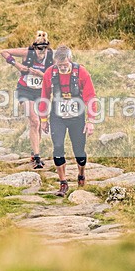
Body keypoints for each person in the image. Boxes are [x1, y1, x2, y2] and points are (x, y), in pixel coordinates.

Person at [38, 45, 97, 197]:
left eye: (64, 65)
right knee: (57, 147)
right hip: (57, 116)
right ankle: (63, 183)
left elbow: (90, 96)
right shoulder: (50, 73)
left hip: (77, 117)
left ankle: (81, 173)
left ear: (69, 59)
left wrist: (90, 120)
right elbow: (44, 95)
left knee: (79, 151)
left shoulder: (81, 72)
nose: (62, 68)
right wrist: (43, 119)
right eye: (59, 65)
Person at [0, 31, 53, 169]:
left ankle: (35, 151)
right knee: (34, 121)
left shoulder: (51, 57)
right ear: (34, 47)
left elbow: (55, 76)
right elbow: (4, 51)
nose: (40, 53)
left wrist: (41, 74)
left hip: (41, 91)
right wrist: (16, 65)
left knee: (40, 122)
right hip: (25, 90)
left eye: (43, 50)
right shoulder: (27, 53)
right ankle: (37, 157)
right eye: (38, 49)